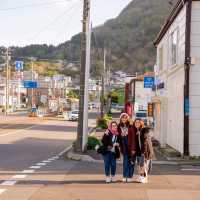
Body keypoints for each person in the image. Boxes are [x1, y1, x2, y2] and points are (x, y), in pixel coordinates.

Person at [134, 119, 154, 183]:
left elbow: (147, 142)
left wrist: (148, 152)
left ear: (141, 123)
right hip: (138, 151)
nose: (137, 124)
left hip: (144, 151)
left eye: (138, 123)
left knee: (143, 165)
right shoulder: (138, 130)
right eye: (136, 122)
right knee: (139, 165)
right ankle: (141, 176)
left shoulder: (144, 131)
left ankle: (144, 177)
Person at [118, 113, 136, 183]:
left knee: (131, 162)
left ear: (128, 118)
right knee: (125, 162)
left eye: (125, 118)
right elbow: (115, 134)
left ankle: (130, 176)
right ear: (121, 119)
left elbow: (134, 138)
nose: (124, 119)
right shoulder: (119, 126)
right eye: (123, 118)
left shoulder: (131, 126)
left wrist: (134, 148)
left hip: (131, 146)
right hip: (123, 146)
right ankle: (125, 176)